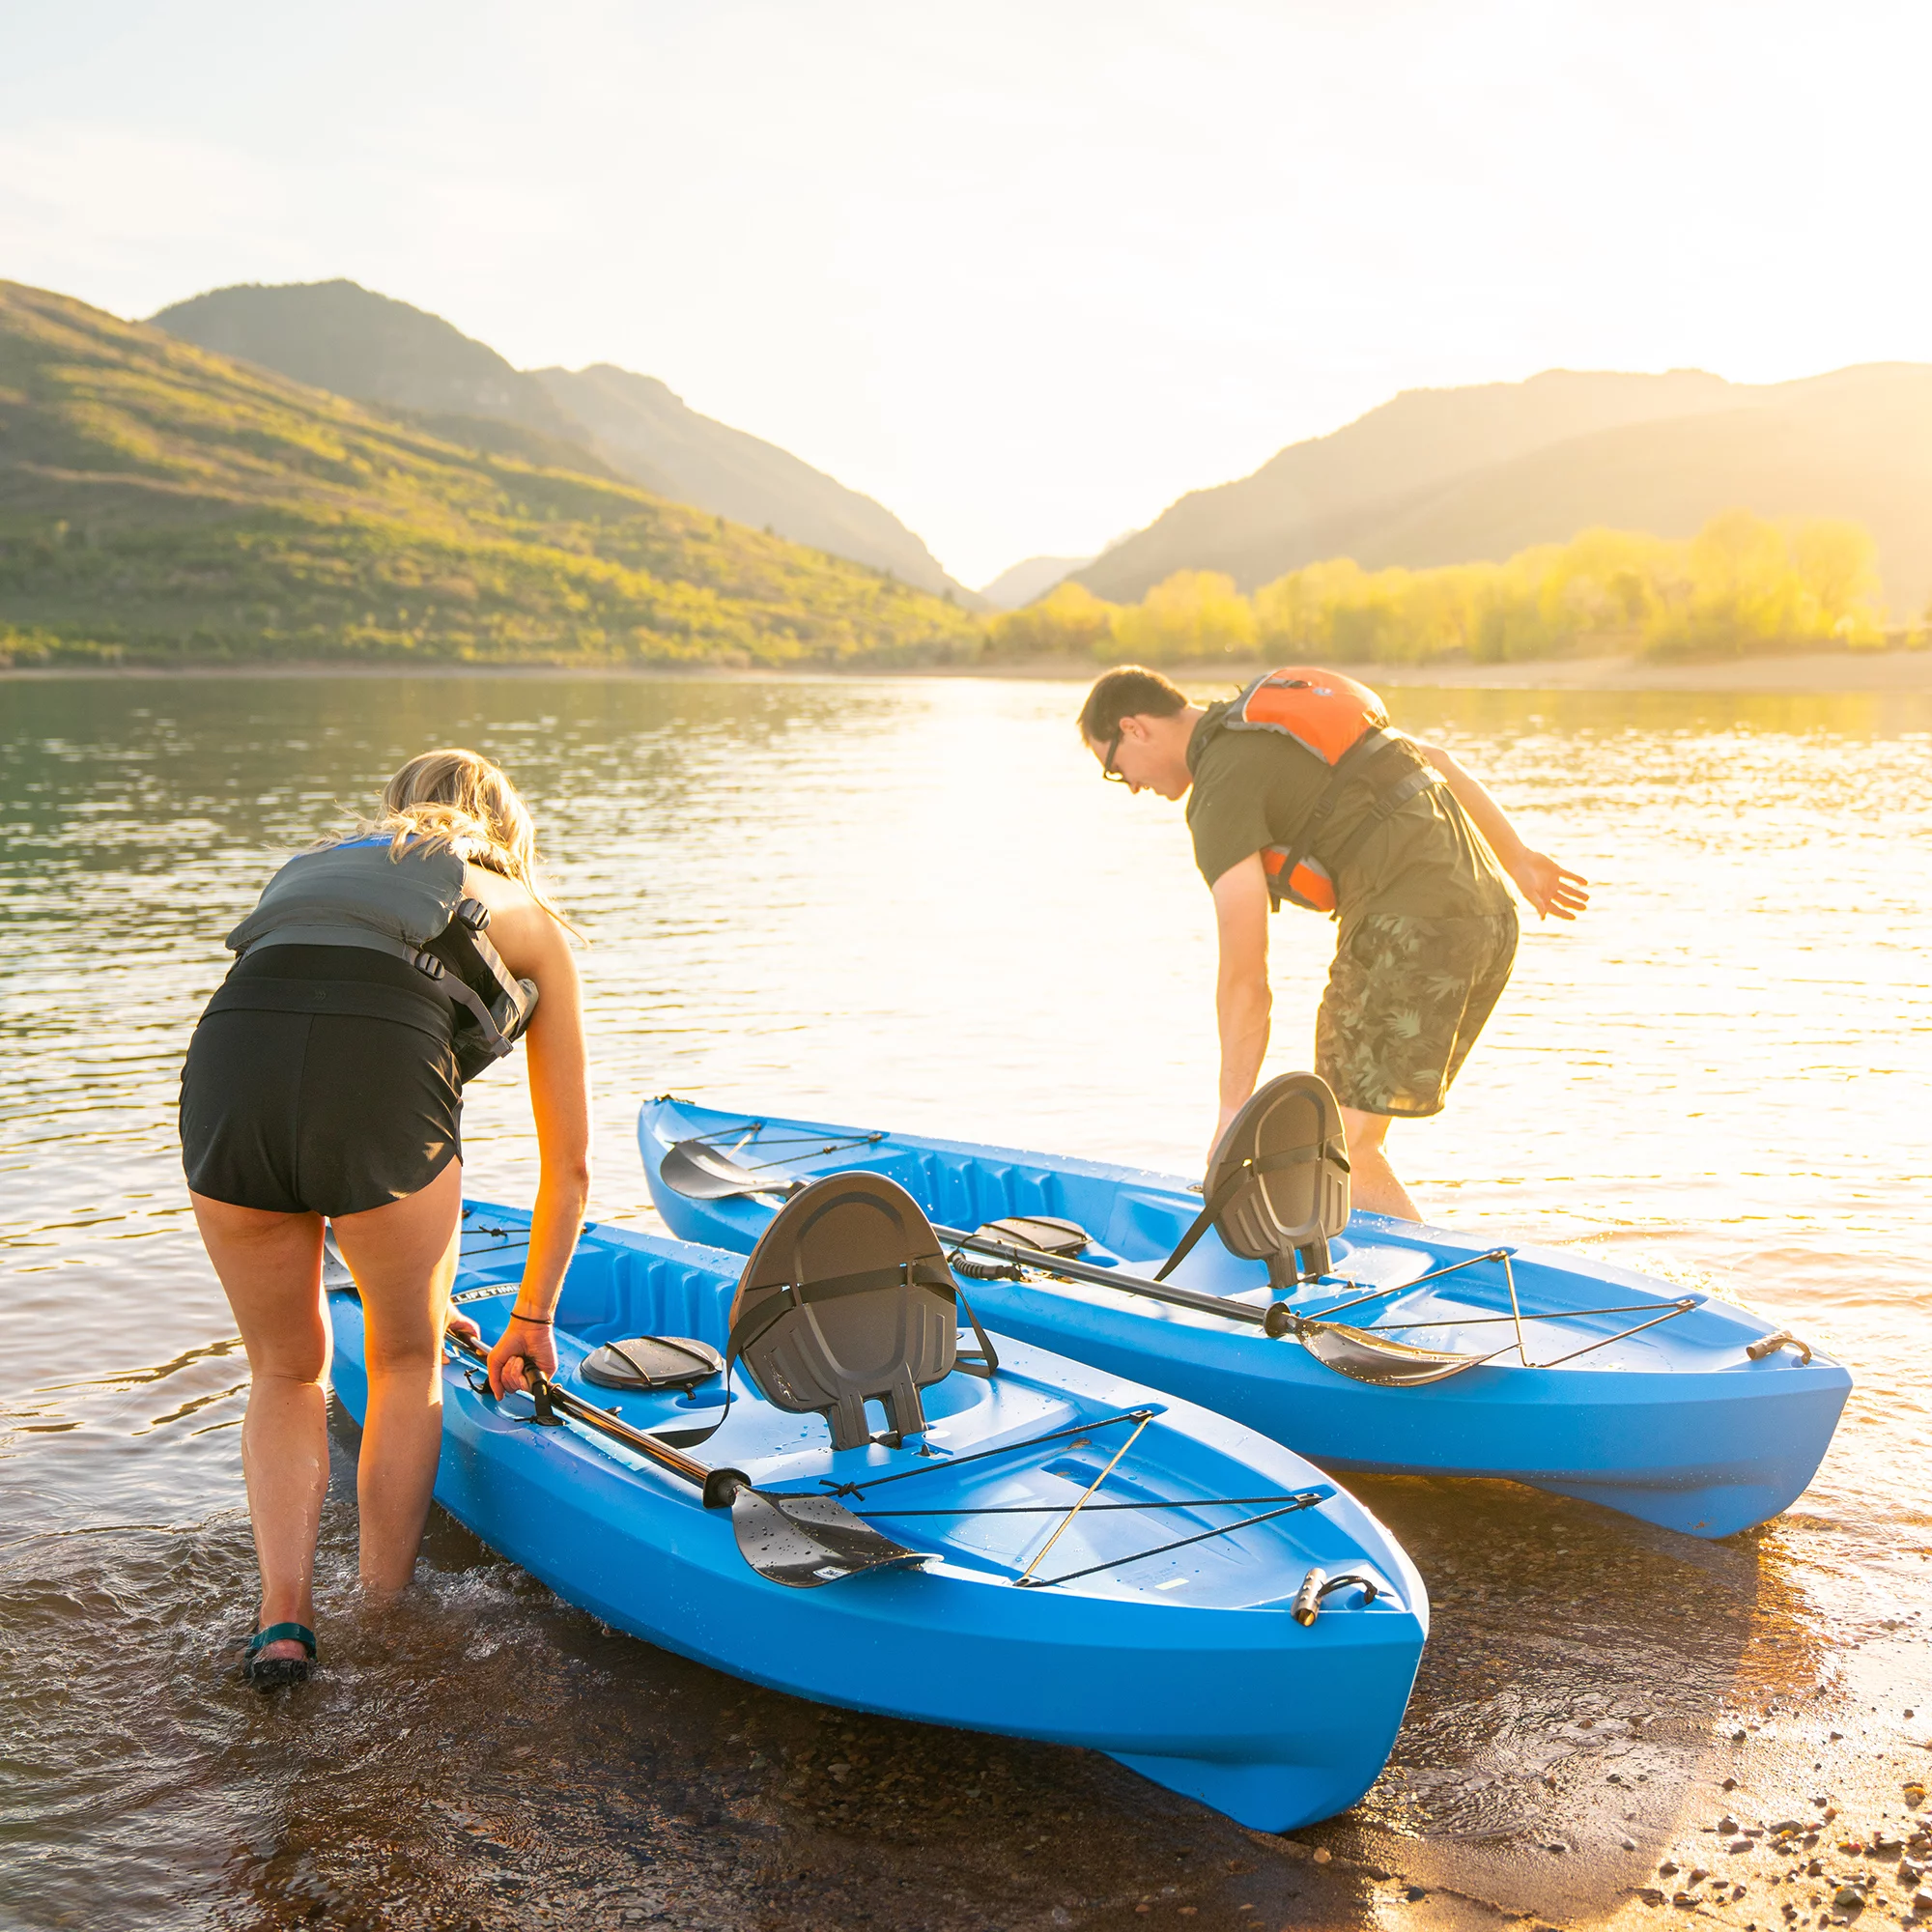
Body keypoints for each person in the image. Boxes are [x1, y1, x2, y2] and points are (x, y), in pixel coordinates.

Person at [179, 750, 589, 1687]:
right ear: (508, 830)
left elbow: (316, 1018)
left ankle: (281, 1616)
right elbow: (565, 1165)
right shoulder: (528, 918)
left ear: (396, 811)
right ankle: (381, 1616)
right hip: (377, 1092)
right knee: (404, 1361)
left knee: (284, 1367)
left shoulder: (317, 867)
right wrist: (527, 1320)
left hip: (227, 1072)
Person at [1078, 665, 1586, 1219]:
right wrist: (1519, 859)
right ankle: (1388, 1273)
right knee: (1351, 1134)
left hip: (1409, 927)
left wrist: (1230, 1113)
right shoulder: (1263, 727)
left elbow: (1246, 977)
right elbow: (1435, 760)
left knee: (1336, 1146)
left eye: (1114, 767)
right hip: (1488, 916)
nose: (1128, 785)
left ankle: (1440, 1290)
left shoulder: (1220, 789)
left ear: (1135, 728)